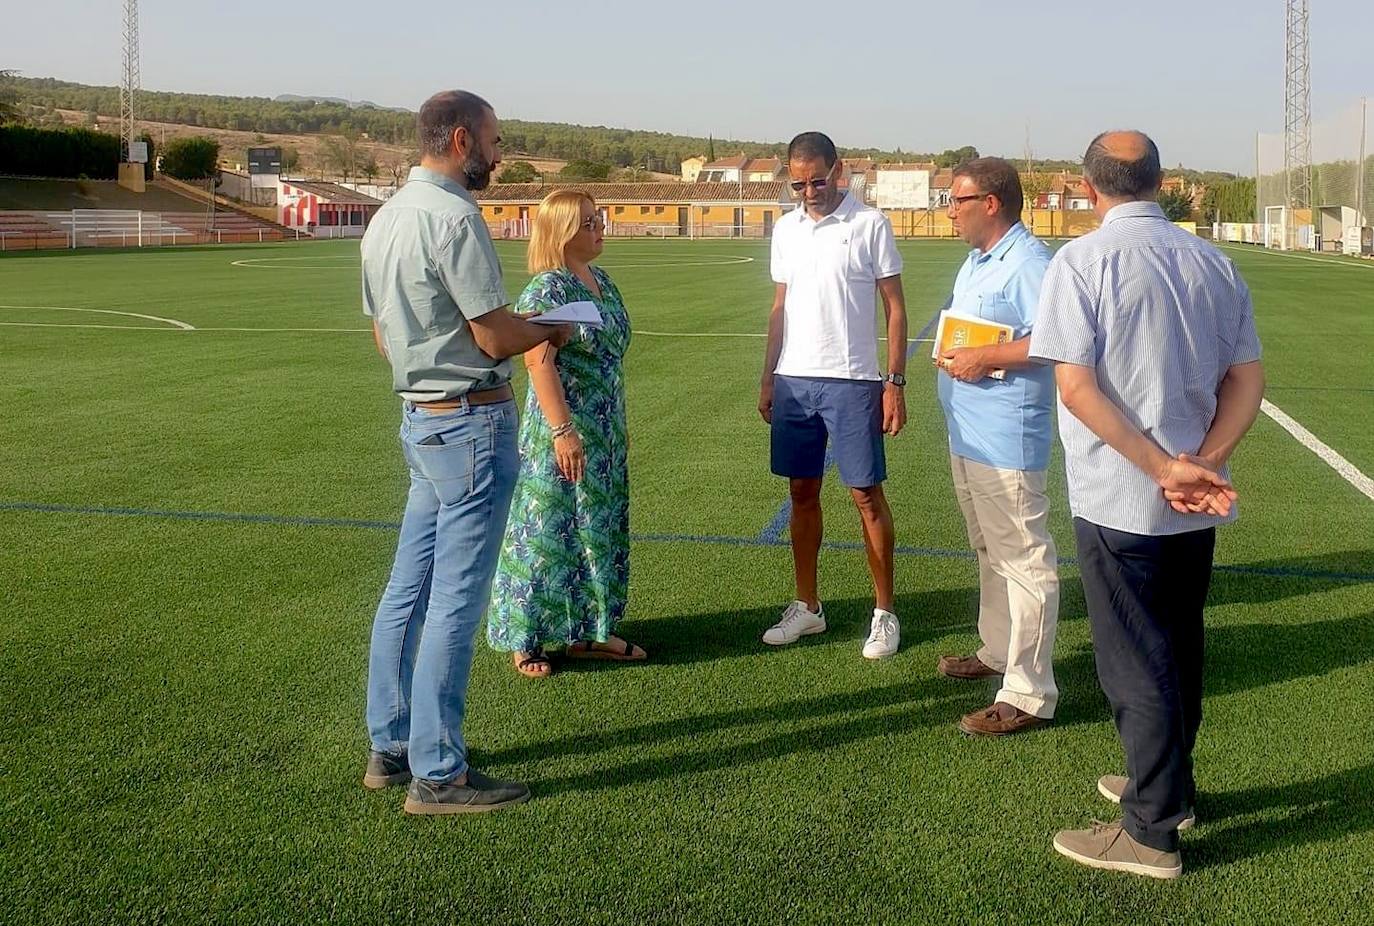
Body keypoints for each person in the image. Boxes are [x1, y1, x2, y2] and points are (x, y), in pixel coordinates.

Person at [1030, 130, 1264, 878]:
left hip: (1122, 495)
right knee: (1177, 643)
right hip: (1192, 498)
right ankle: (1170, 785)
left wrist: (1165, 466)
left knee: (1136, 659)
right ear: (1160, 181)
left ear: (1087, 185)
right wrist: (1203, 463)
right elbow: (1246, 381)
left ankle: (1152, 829)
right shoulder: (1213, 262)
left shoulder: (1082, 261)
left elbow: (1075, 386)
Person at [360, 90, 573, 815]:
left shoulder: (385, 218)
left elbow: (382, 335)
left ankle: (390, 746)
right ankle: (440, 772)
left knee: (407, 590)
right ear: (459, 140)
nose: (498, 153)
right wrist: (549, 330)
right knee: (454, 601)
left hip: (420, 422)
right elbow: (491, 336)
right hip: (471, 423)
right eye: (493, 140)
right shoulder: (454, 218)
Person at [758, 131, 909, 659]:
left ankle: (884, 613)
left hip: (853, 381)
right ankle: (808, 607)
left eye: (816, 180)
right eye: (798, 183)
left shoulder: (870, 224)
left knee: (865, 495)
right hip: (795, 381)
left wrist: (894, 382)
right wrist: (768, 375)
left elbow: (894, 307)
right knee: (802, 492)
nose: (808, 191)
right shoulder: (786, 230)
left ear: (837, 170)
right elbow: (780, 307)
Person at [487, 190, 642, 677]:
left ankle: (590, 632)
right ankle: (525, 636)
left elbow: (611, 359)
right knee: (546, 527)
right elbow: (538, 361)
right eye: (590, 222)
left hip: (604, 429)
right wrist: (562, 429)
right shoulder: (546, 290)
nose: (601, 228)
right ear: (563, 232)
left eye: (599, 219)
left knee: (596, 527)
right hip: (564, 428)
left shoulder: (603, 283)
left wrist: (620, 423)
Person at [933, 157, 1060, 737]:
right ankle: (996, 650)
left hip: (1008, 438)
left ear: (990, 203)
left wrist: (986, 357)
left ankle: (1029, 692)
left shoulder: (1030, 263)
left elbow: (1058, 339)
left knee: (1025, 560)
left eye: (957, 201)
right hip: (971, 432)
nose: (949, 211)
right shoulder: (977, 262)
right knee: (989, 548)